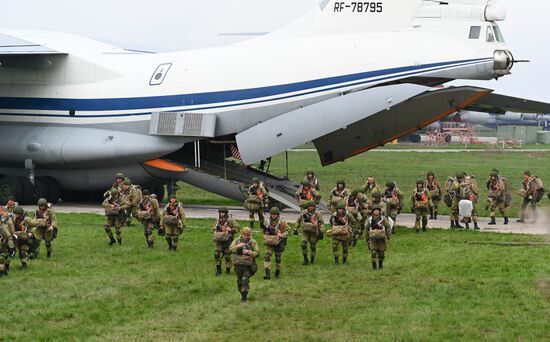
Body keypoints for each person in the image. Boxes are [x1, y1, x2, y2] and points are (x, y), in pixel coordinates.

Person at [230, 227, 260, 303]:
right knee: (239, 283)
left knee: (244, 280)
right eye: (244, 235)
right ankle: (243, 292)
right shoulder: (237, 240)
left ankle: (244, 298)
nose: (246, 237)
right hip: (238, 265)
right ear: (242, 234)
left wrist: (249, 252)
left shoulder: (253, 242)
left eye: (248, 235)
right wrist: (238, 246)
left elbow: (257, 253)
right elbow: (230, 249)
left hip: (249, 266)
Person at [262, 207, 289, 279]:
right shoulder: (267, 221)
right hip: (269, 241)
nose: (273, 215)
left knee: (278, 258)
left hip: (279, 242)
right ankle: (267, 273)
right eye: (272, 214)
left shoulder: (282, 222)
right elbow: (264, 230)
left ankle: (277, 271)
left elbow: (288, 230)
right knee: (267, 256)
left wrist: (282, 235)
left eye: (275, 214)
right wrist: (266, 233)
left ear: (278, 215)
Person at [212, 207, 240, 276]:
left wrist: (230, 229)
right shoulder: (217, 220)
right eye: (220, 212)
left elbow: (238, 228)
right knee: (216, 254)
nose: (222, 214)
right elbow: (214, 228)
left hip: (228, 241)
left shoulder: (230, 220)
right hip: (219, 240)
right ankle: (218, 269)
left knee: (227, 256)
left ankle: (228, 270)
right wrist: (215, 229)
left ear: (226, 213)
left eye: (223, 212)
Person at [295, 200, 324, 265]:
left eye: (312, 206)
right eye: (309, 206)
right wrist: (295, 228)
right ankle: (305, 259)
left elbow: (321, 222)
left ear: (314, 207)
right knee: (303, 244)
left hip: (314, 232)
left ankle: (312, 260)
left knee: (313, 246)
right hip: (305, 231)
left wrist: (322, 230)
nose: (311, 207)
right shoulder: (303, 212)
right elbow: (298, 221)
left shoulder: (317, 213)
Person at [366, 205, 391, 271]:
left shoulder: (383, 219)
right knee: (373, 253)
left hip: (382, 239)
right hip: (373, 239)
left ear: (379, 211)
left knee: (381, 254)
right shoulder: (370, 219)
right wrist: (367, 238)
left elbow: (388, 226)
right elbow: (366, 229)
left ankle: (380, 265)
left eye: (377, 210)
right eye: (374, 211)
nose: (376, 212)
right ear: (373, 212)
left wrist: (388, 236)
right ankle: (374, 267)